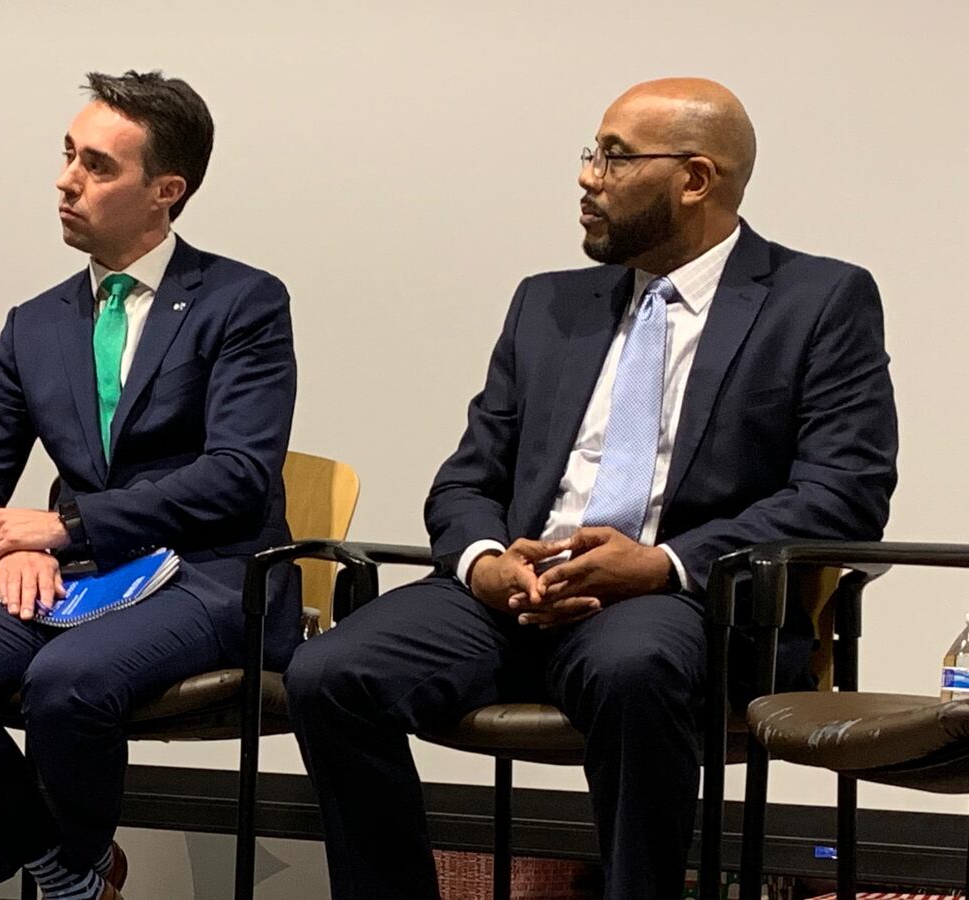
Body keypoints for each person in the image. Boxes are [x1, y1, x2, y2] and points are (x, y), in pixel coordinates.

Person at [284, 77, 898, 900]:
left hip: (685, 602)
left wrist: (664, 564)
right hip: (516, 592)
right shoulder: (548, 303)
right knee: (329, 672)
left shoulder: (817, 300)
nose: (587, 176)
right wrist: (488, 561)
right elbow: (469, 475)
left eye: (614, 156)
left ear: (694, 179)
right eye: (591, 152)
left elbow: (844, 491)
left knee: (633, 666)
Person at [0, 70, 298, 900]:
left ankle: (67, 870)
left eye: (98, 166)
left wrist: (64, 530)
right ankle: (71, 866)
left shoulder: (242, 302)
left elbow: (238, 477)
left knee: (67, 681)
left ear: (165, 192)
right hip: (86, 579)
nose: (67, 180)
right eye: (68, 156)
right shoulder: (36, 323)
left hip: (208, 575)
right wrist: (3, 549)